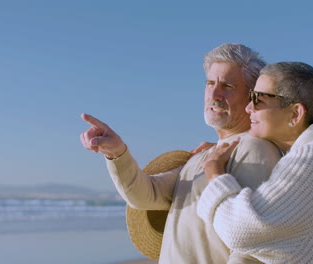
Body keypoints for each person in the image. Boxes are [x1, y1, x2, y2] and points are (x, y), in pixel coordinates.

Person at [80, 44, 282, 263]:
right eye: (210, 83)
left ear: (252, 97)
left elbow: (253, 244)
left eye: (228, 85)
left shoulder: (254, 149)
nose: (214, 94)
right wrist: (117, 153)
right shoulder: (204, 155)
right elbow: (145, 195)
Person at [198, 62, 313, 263]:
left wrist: (214, 171)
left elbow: (239, 230)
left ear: (295, 114)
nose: (248, 107)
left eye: (258, 99)